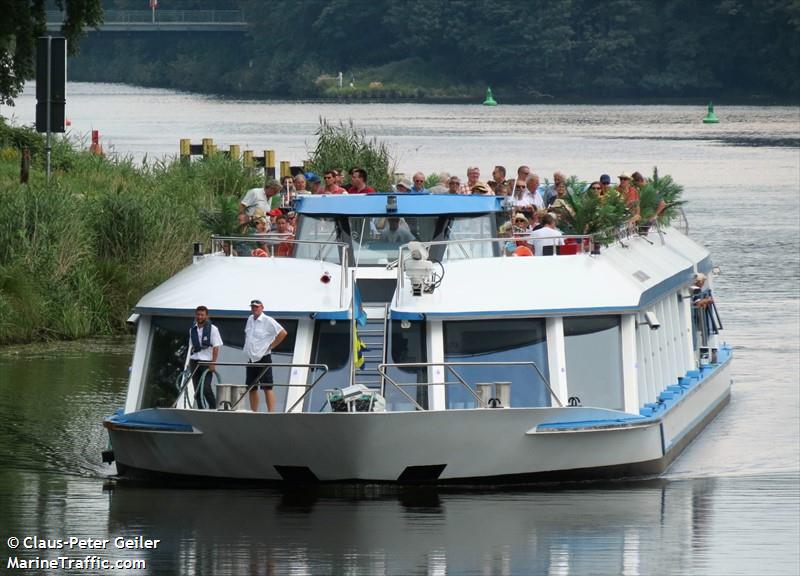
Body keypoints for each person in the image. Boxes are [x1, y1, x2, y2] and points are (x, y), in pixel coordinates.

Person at [244, 299, 288, 413]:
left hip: (264, 357)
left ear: (262, 307)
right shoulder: (250, 319)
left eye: (257, 307)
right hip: (251, 358)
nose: (254, 309)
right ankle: (254, 412)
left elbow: (283, 333)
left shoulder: (268, 320)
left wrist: (272, 346)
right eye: (253, 307)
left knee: (267, 387)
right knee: (251, 387)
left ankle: (271, 413)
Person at [188, 305, 222, 409]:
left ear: (206, 316)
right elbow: (191, 347)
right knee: (197, 390)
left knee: (206, 388)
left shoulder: (213, 329)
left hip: (206, 362)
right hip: (195, 361)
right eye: (198, 314)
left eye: (202, 315)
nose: (200, 317)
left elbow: (216, 347)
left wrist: (213, 363)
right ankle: (201, 410)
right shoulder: (192, 329)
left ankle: (214, 408)